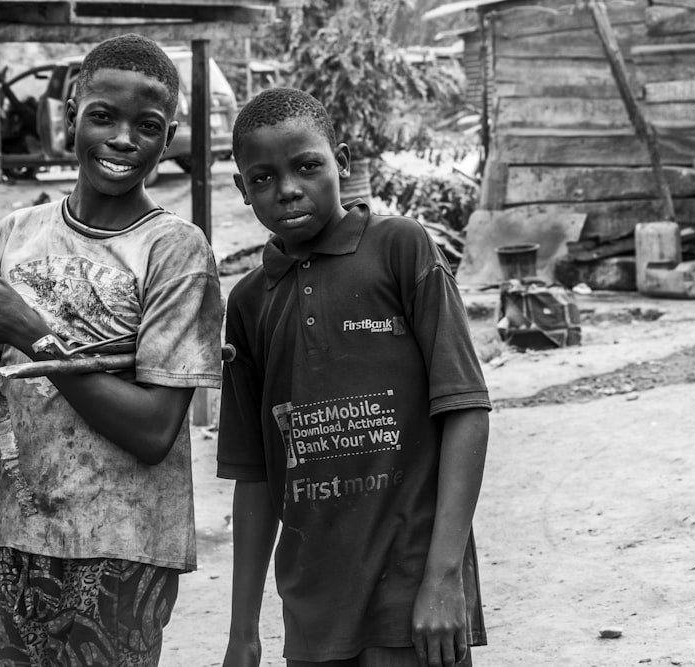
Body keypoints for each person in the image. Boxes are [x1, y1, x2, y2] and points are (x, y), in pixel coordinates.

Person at [0, 34, 224, 666]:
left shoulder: (175, 250)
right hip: (20, 535)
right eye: (103, 116)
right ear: (70, 115)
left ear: (167, 135)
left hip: (127, 540)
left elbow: (153, 430)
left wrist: (29, 330)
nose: (122, 139)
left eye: (146, 126)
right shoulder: (13, 235)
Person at [217, 87, 492, 667]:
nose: (288, 188)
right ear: (242, 190)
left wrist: (445, 578)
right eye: (262, 178)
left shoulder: (401, 249)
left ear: (341, 161)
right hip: (313, 607)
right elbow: (257, 476)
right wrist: (243, 631)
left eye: (307, 165)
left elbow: (465, 408)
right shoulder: (247, 303)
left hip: (415, 592)